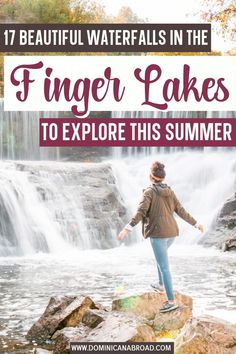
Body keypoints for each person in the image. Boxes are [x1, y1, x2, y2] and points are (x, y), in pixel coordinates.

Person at [117, 161, 204, 313]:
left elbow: (140, 212)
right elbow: (181, 210)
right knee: (160, 259)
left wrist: (127, 228)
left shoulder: (149, 192)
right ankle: (161, 284)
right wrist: (196, 224)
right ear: (162, 178)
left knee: (164, 266)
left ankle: (171, 301)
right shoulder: (169, 191)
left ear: (151, 176)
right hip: (172, 233)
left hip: (158, 233)